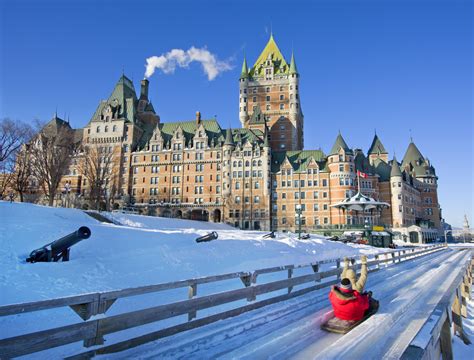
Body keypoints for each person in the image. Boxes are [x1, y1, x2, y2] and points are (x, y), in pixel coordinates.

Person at [328, 255, 373, 322]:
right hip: (354, 316)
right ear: (354, 275)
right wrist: (364, 263)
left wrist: (346, 263)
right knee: (367, 299)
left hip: (339, 315)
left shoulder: (333, 293)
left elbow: (343, 275)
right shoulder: (357, 289)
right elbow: (364, 275)